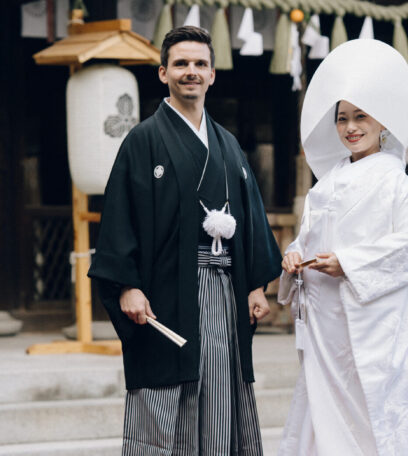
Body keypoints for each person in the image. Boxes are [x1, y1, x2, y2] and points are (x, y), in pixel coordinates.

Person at [88, 26, 282, 455]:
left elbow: (251, 216)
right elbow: (120, 215)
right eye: (181, 64)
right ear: (163, 73)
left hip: (224, 290)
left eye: (199, 64)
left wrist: (255, 285)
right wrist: (127, 285)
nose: (190, 71)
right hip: (164, 290)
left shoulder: (228, 145)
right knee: (164, 393)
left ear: (212, 74)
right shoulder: (143, 140)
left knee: (219, 388)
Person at [277, 39, 408, 455]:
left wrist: (349, 263)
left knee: (373, 410)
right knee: (322, 406)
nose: (351, 127)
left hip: (373, 323)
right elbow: (308, 237)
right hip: (326, 322)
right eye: (342, 118)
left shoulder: (396, 183)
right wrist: (294, 254)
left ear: (383, 121)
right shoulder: (326, 183)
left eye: (361, 116)